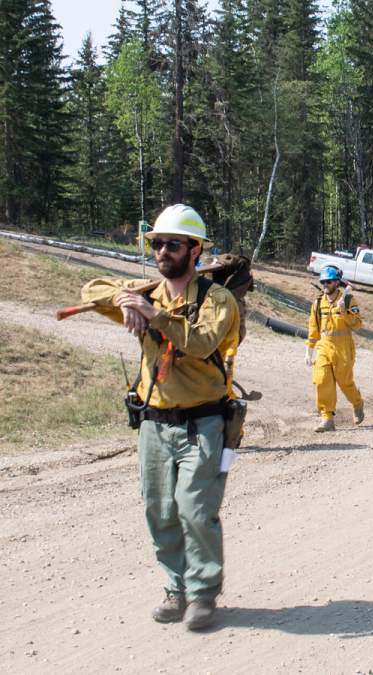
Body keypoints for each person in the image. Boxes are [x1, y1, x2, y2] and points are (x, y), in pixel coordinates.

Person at [80, 204, 239, 630]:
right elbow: (89, 289)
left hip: (204, 424)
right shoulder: (146, 291)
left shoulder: (217, 299)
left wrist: (155, 315)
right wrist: (121, 297)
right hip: (154, 422)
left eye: (172, 244)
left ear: (195, 250)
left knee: (194, 508)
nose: (162, 251)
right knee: (160, 509)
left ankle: (204, 592)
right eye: (156, 244)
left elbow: (203, 342)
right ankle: (176, 588)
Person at [307, 265, 365, 432]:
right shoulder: (318, 303)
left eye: (329, 281)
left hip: (343, 348)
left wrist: (344, 311)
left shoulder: (348, 300)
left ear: (337, 282)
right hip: (324, 346)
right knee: (321, 380)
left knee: (345, 382)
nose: (325, 284)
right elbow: (313, 328)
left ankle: (357, 403)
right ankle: (327, 418)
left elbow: (358, 324)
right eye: (323, 281)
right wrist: (309, 350)